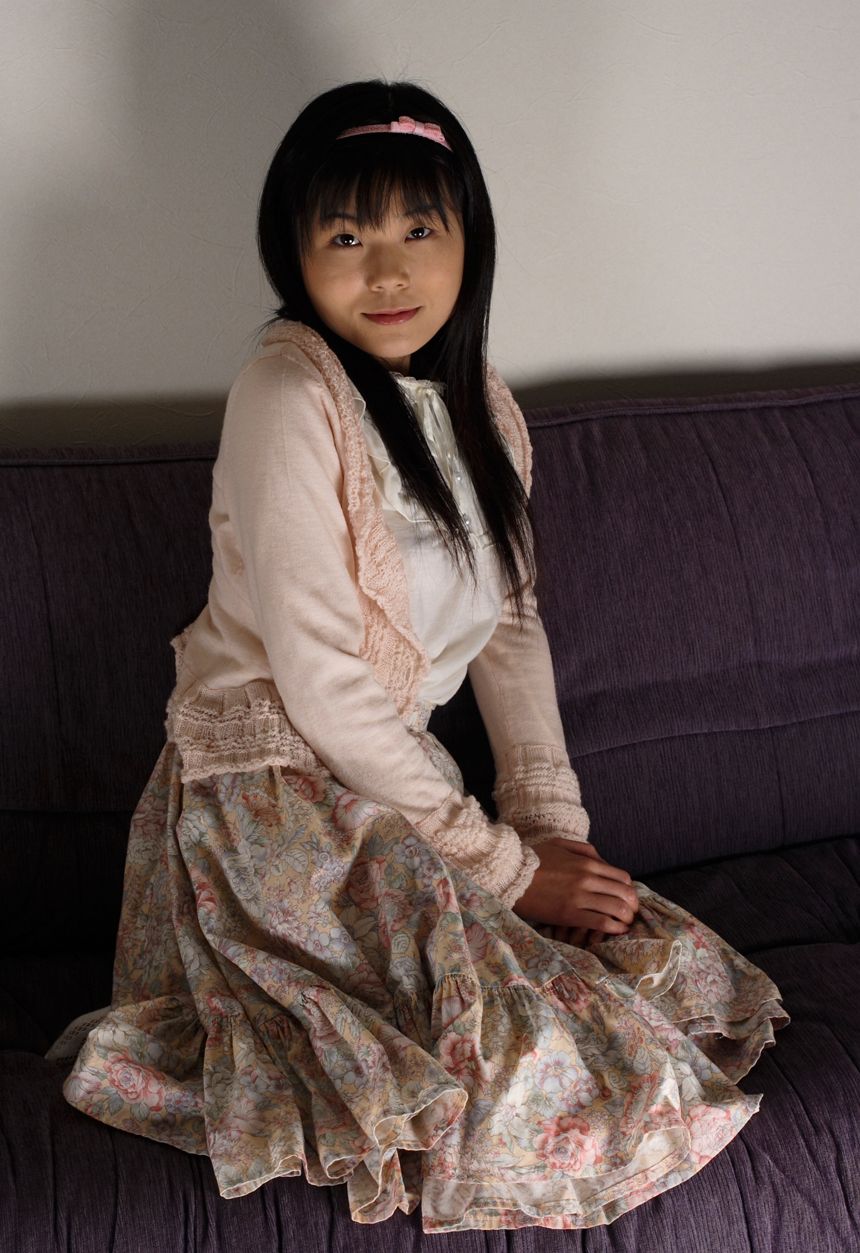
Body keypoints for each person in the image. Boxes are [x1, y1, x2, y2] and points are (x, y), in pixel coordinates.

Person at [61, 79, 789, 1233]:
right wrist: (502, 868)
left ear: (467, 240)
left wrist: (547, 821)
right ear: (296, 253)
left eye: (417, 228)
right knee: (515, 1047)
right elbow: (320, 684)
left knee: (640, 956)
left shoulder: (480, 404)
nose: (387, 270)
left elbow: (509, 621)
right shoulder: (285, 391)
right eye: (346, 237)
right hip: (268, 797)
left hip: (388, 789)